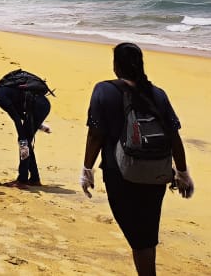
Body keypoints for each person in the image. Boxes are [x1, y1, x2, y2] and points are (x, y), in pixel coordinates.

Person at [81, 42, 193, 276]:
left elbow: (96, 134)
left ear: (116, 66)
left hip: (119, 174)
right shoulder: (157, 94)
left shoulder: (103, 90)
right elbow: (174, 136)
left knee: (139, 239)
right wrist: (183, 173)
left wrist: (87, 169)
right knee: (146, 235)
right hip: (156, 174)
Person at [0, 74, 52, 187]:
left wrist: (22, 137)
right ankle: (34, 178)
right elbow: (20, 115)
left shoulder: (0, 96)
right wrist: (39, 127)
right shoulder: (1, 93)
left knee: (24, 143)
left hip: (39, 106)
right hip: (41, 105)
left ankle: (22, 180)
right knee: (26, 142)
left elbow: (16, 118)